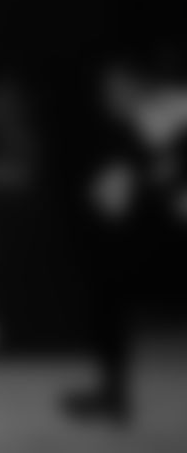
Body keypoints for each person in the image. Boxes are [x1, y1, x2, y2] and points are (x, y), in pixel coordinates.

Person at [61, 53, 187, 426]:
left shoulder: (170, 109)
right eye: (103, 91)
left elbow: (164, 168)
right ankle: (113, 394)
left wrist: (141, 183)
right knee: (107, 289)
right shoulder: (137, 127)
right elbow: (141, 178)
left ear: (136, 84)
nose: (105, 98)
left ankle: (114, 394)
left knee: (109, 289)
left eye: (113, 89)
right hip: (167, 228)